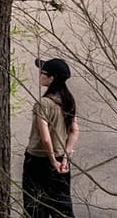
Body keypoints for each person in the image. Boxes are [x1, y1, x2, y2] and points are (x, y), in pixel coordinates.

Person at [23, 58, 80, 217]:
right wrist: (64, 158)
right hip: (62, 160)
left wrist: (52, 160)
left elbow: (46, 138)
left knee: (34, 206)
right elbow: (74, 131)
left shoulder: (43, 104)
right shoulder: (68, 101)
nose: (40, 74)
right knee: (61, 207)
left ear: (52, 79)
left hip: (37, 160)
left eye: (44, 73)